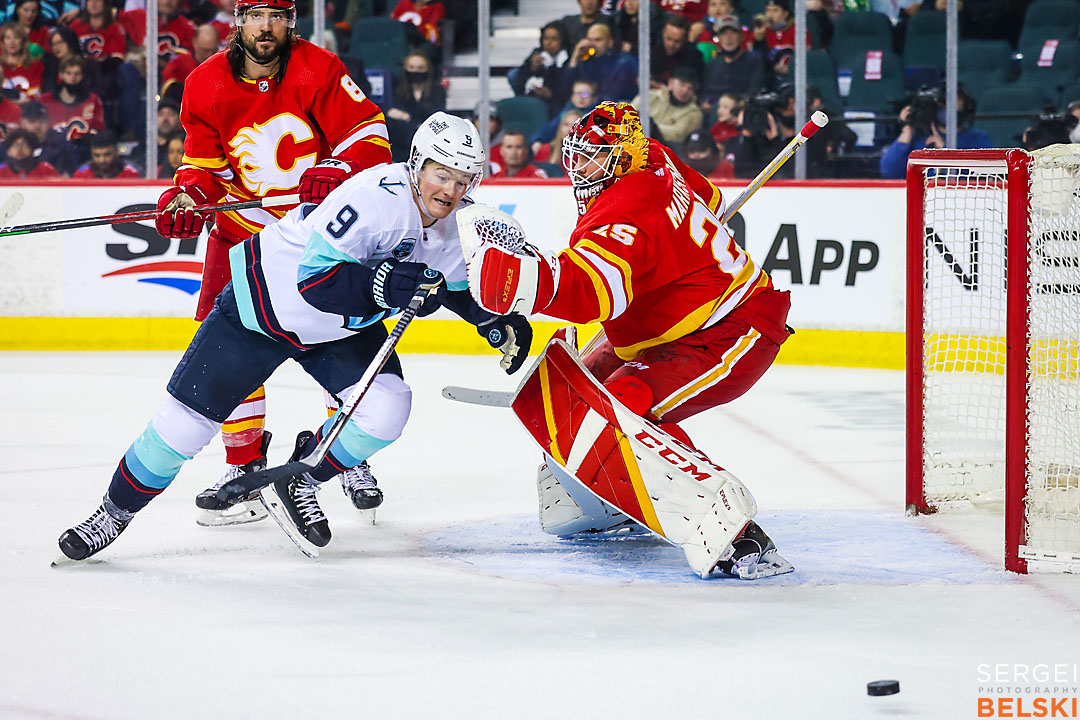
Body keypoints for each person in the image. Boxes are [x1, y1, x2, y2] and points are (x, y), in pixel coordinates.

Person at [56, 113, 533, 561]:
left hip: (342, 328)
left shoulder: (459, 223)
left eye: (462, 179)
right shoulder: (374, 198)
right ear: (416, 164)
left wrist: (492, 320)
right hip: (264, 309)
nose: (450, 190)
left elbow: (453, 284)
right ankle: (112, 512)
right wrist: (381, 284)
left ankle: (301, 478)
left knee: (388, 409)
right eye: (440, 174)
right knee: (182, 428)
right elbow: (314, 280)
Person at [460, 101, 794, 579]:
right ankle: (604, 501)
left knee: (623, 404)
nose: (578, 166)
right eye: (577, 152)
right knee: (575, 391)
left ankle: (739, 537)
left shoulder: (628, 205)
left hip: (728, 330)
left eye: (592, 156)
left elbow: (592, 294)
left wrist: (519, 280)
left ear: (621, 158)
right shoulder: (653, 156)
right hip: (665, 328)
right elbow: (711, 200)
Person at [153, 0, 393, 525]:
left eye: (278, 15)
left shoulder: (319, 68)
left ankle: (342, 452)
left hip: (324, 235)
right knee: (228, 351)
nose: (267, 26)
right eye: (257, 15)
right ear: (238, 21)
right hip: (244, 236)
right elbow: (203, 167)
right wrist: (189, 197)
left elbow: (370, 138)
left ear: (292, 22)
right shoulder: (203, 83)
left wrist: (338, 165)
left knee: (344, 340)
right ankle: (242, 466)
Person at [879, 87, 991, 179]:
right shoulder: (918, 139)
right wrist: (907, 131)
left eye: (953, 99)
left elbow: (987, 175)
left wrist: (945, 151)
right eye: (943, 101)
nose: (947, 106)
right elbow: (889, 172)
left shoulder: (978, 139)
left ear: (966, 105)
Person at [385, 51, 446, 161]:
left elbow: (436, 117)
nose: (415, 71)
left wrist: (406, 117)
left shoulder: (437, 90)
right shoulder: (396, 89)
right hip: (400, 146)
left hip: (429, 145)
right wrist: (414, 122)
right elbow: (391, 117)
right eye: (411, 67)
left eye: (420, 68)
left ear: (428, 69)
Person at [563, 22, 637, 103]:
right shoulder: (583, 62)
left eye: (598, 40)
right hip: (582, 106)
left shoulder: (621, 64)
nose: (592, 44)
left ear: (609, 42)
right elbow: (565, 90)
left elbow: (613, 95)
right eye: (589, 39)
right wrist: (575, 57)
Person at [508, 21, 569, 118]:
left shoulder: (566, 59)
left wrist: (550, 94)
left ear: (562, 41)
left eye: (554, 39)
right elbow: (521, 77)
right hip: (533, 96)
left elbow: (565, 87)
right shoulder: (537, 54)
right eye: (546, 38)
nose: (549, 43)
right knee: (513, 73)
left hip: (555, 101)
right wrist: (532, 67)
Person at [38, 55, 104, 141]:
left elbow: (99, 128)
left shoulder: (92, 100)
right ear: (61, 75)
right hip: (52, 150)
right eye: (68, 73)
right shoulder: (45, 100)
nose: (73, 78)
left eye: (77, 74)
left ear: (83, 75)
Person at [633, 65, 703, 146]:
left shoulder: (694, 113)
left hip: (665, 149)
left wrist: (650, 127)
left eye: (690, 88)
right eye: (682, 84)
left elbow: (678, 134)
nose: (685, 91)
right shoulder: (649, 96)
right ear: (671, 83)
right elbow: (629, 114)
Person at [700, 16, 764, 102]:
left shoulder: (754, 60)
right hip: (715, 111)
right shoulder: (712, 65)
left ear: (741, 36)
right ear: (719, 38)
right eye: (724, 33)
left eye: (733, 32)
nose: (729, 37)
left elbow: (754, 92)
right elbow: (705, 94)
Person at [650, 14, 704, 89]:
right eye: (668, 39)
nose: (671, 44)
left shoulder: (693, 57)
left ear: (685, 39)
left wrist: (663, 88)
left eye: (677, 41)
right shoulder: (653, 52)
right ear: (663, 33)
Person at [1, 22, 44, 101]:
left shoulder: (35, 65)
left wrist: (20, 103)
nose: (12, 42)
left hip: (27, 108)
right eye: (8, 38)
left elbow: (36, 91)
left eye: (16, 38)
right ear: (3, 42)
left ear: (23, 41)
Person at [73, 130, 140, 178]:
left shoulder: (131, 174)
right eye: (96, 155)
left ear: (116, 152)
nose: (102, 160)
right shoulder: (81, 174)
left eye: (107, 154)